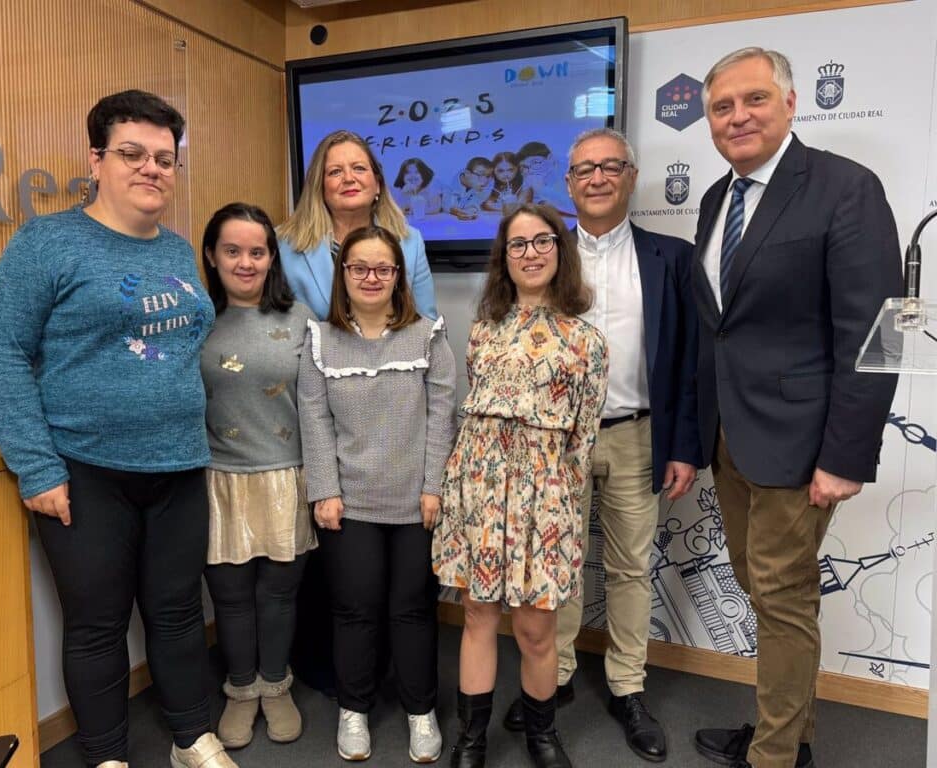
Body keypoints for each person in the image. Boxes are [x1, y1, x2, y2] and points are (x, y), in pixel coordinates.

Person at [0, 91, 236, 768]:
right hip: (84, 469)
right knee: (95, 626)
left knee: (178, 613)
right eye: (133, 154)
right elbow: (0, 349)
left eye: (163, 158)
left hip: (177, 464)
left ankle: (190, 737)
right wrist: (36, 466)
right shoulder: (49, 242)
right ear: (97, 159)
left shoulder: (179, 252)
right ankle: (107, 755)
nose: (151, 169)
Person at [691, 48, 901, 768]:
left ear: (789, 103)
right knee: (768, 593)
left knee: (780, 599)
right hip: (732, 440)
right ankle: (792, 735)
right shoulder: (719, 199)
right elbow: (721, 327)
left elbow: (877, 335)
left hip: (803, 446)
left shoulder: (846, 188)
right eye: (722, 107)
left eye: (753, 100)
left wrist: (845, 457)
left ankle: (774, 756)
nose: (737, 117)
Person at [501, 128, 701, 763]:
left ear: (631, 175)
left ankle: (627, 686)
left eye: (609, 167)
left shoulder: (672, 257)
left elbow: (688, 360)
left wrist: (684, 445)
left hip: (639, 435)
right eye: (583, 169)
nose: (596, 178)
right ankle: (551, 678)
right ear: (567, 183)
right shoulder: (544, 254)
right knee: (553, 571)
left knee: (629, 568)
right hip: (556, 443)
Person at [434, 204, 608, 768]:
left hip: (545, 500)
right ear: (503, 259)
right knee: (479, 618)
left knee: (537, 630)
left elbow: (583, 440)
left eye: (541, 242)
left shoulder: (587, 341)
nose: (530, 253)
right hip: (480, 491)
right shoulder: (483, 331)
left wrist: (556, 500)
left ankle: (542, 735)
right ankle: (471, 738)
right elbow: (474, 421)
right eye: (517, 244)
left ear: (560, 251)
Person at [297, 226, 457, 763]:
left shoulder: (429, 335)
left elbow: (442, 417)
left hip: (416, 502)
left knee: (412, 609)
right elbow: (314, 420)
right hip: (349, 503)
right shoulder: (319, 339)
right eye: (359, 267)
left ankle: (420, 710)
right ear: (343, 276)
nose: (371, 277)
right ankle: (354, 710)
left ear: (398, 276)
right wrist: (323, 489)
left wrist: (434, 487)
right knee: (354, 609)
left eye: (383, 268)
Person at [199, 203, 317, 750]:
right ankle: (241, 690)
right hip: (217, 477)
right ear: (212, 256)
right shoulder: (195, 317)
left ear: (272, 258)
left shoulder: (299, 319)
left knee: (278, 594)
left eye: (257, 251)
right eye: (233, 251)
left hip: (283, 477)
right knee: (230, 596)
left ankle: (276, 686)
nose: (246, 262)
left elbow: (317, 407)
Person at [277, 129, 437, 321]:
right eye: (335, 172)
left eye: (359, 168)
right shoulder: (284, 244)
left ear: (377, 183)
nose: (349, 178)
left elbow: (427, 326)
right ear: (319, 187)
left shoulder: (410, 241)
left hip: (393, 350)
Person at [516, 142, 575, 216]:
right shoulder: (529, 172)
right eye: (525, 166)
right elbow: (520, 208)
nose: (531, 170)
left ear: (550, 159)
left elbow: (575, 209)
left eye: (536, 162)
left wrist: (541, 190)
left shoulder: (568, 169)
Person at [444, 156, 494, 220]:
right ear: (467, 173)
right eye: (480, 175)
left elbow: (477, 201)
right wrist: (458, 212)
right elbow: (447, 204)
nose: (485, 181)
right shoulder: (448, 182)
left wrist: (471, 210)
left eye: (488, 176)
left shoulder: (488, 182)